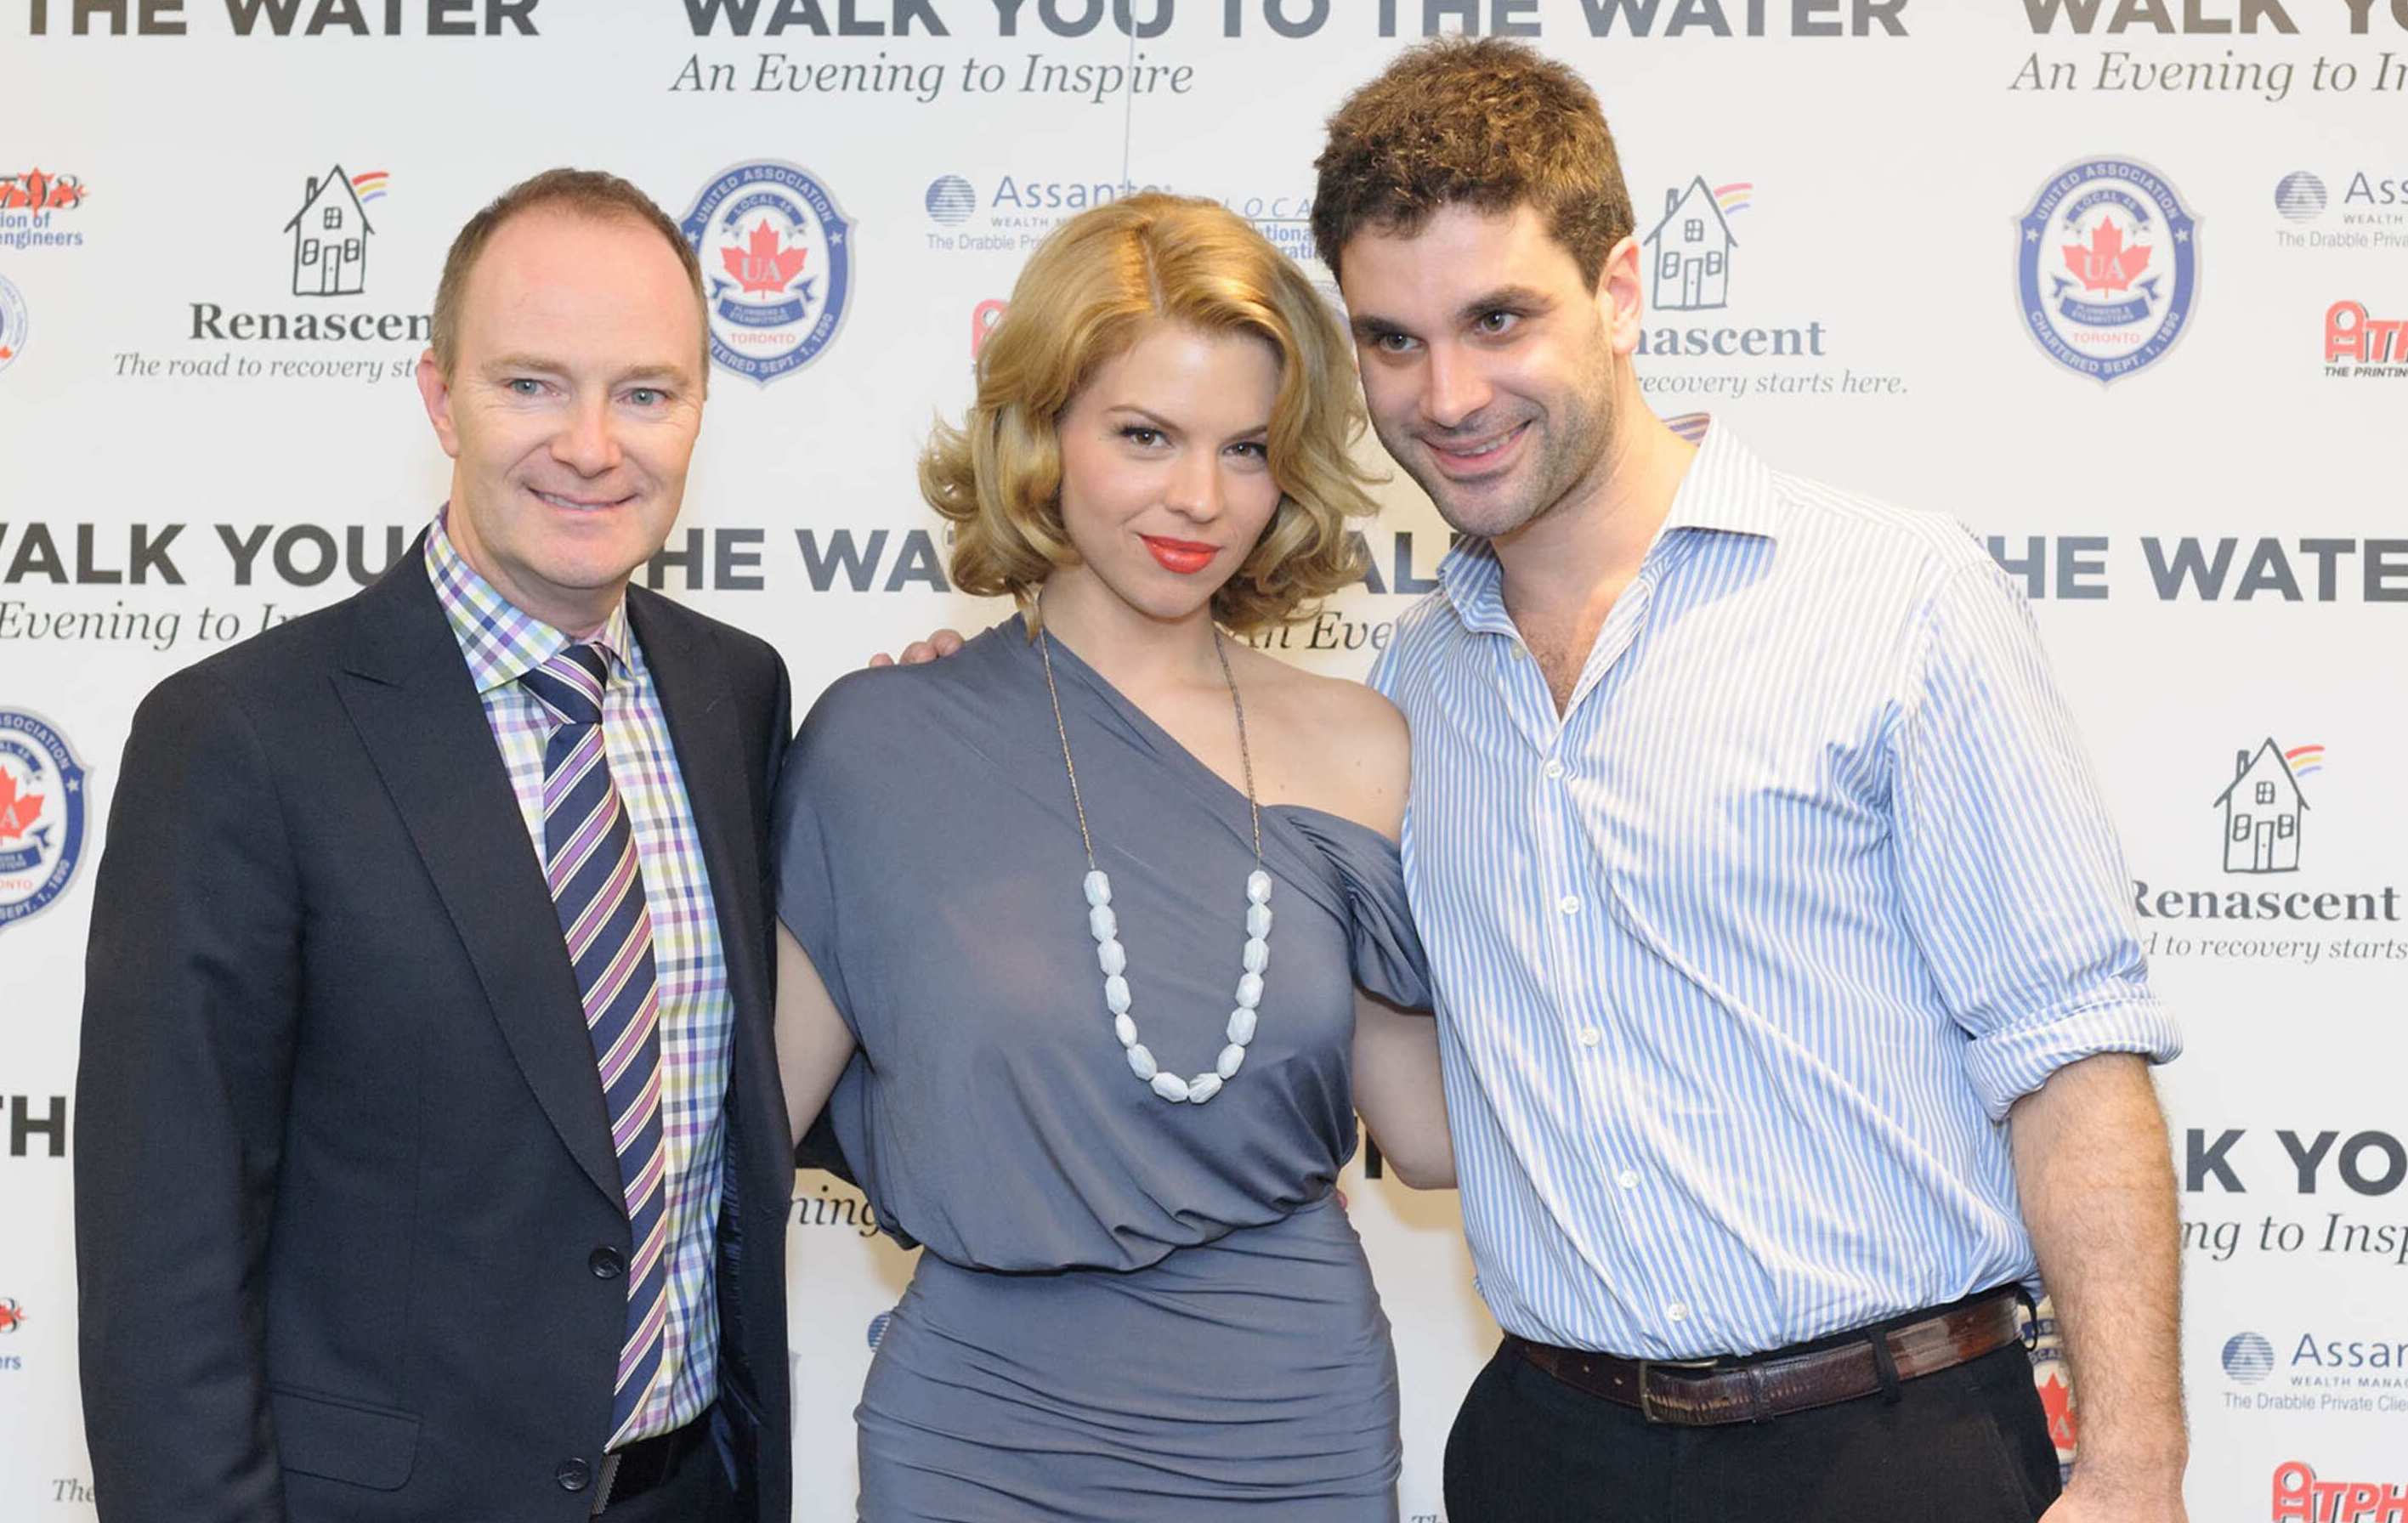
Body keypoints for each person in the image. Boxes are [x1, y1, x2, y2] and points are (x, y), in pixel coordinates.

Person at [898, 39, 2189, 1523]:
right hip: (1550, 1451)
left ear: (1620, 292)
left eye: (1497, 319)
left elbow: (2070, 1052)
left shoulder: (1895, 598)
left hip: (1891, 1448)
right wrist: (988, 719)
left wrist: (2132, 1468)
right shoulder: (1398, 701)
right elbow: (1374, 1077)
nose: (1447, 394)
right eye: (1392, 341)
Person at [75, 169, 795, 1523]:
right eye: (531, 384)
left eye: (646, 392)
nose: (592, 445)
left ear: (700, 407)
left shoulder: (735, 694)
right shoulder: (240, 735)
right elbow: (161, 1261)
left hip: (690, 1489)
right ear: (439, 396)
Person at [772, 192, 1453, 1520]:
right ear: (1042, 437)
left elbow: (1425, 1135)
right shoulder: (880, 743)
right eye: (1144, 435)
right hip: (978, 1431)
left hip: (1286, 1423)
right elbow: (744, 1130)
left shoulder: (1359, 743)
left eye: (1245, 448)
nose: (1198, 497)